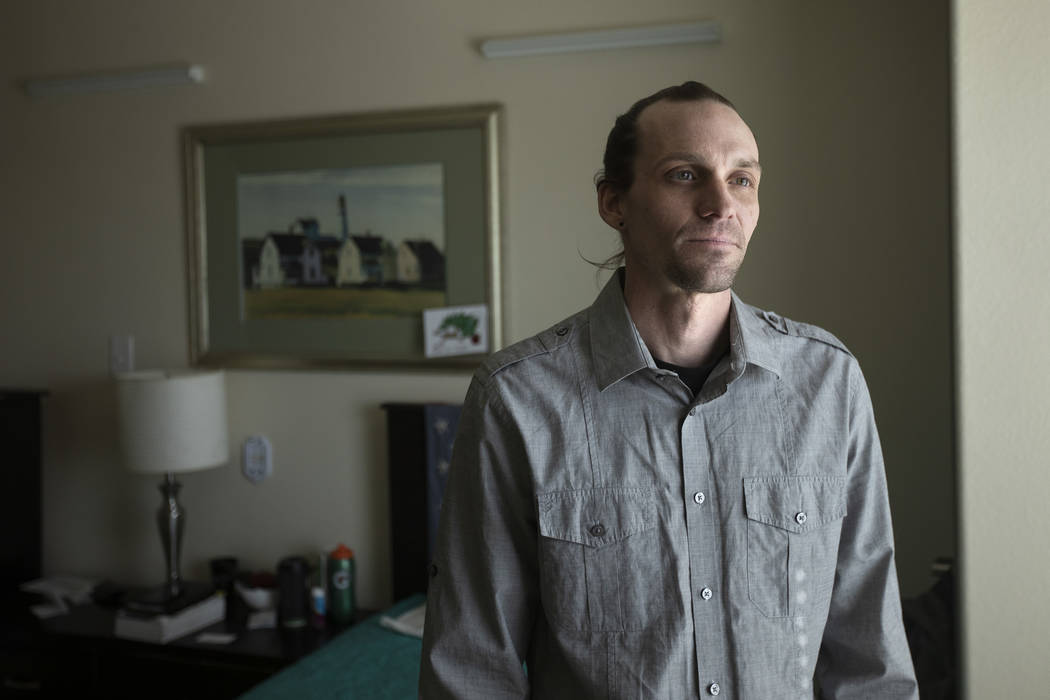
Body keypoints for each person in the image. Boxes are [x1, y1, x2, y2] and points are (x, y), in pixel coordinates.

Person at [419, 81, 918, 699]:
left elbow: (869, 657)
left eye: (742, 179)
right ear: (613, 202)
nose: (720, 204)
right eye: (685, 175)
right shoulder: (517, 400)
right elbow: (472, 668)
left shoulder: (827, 381)